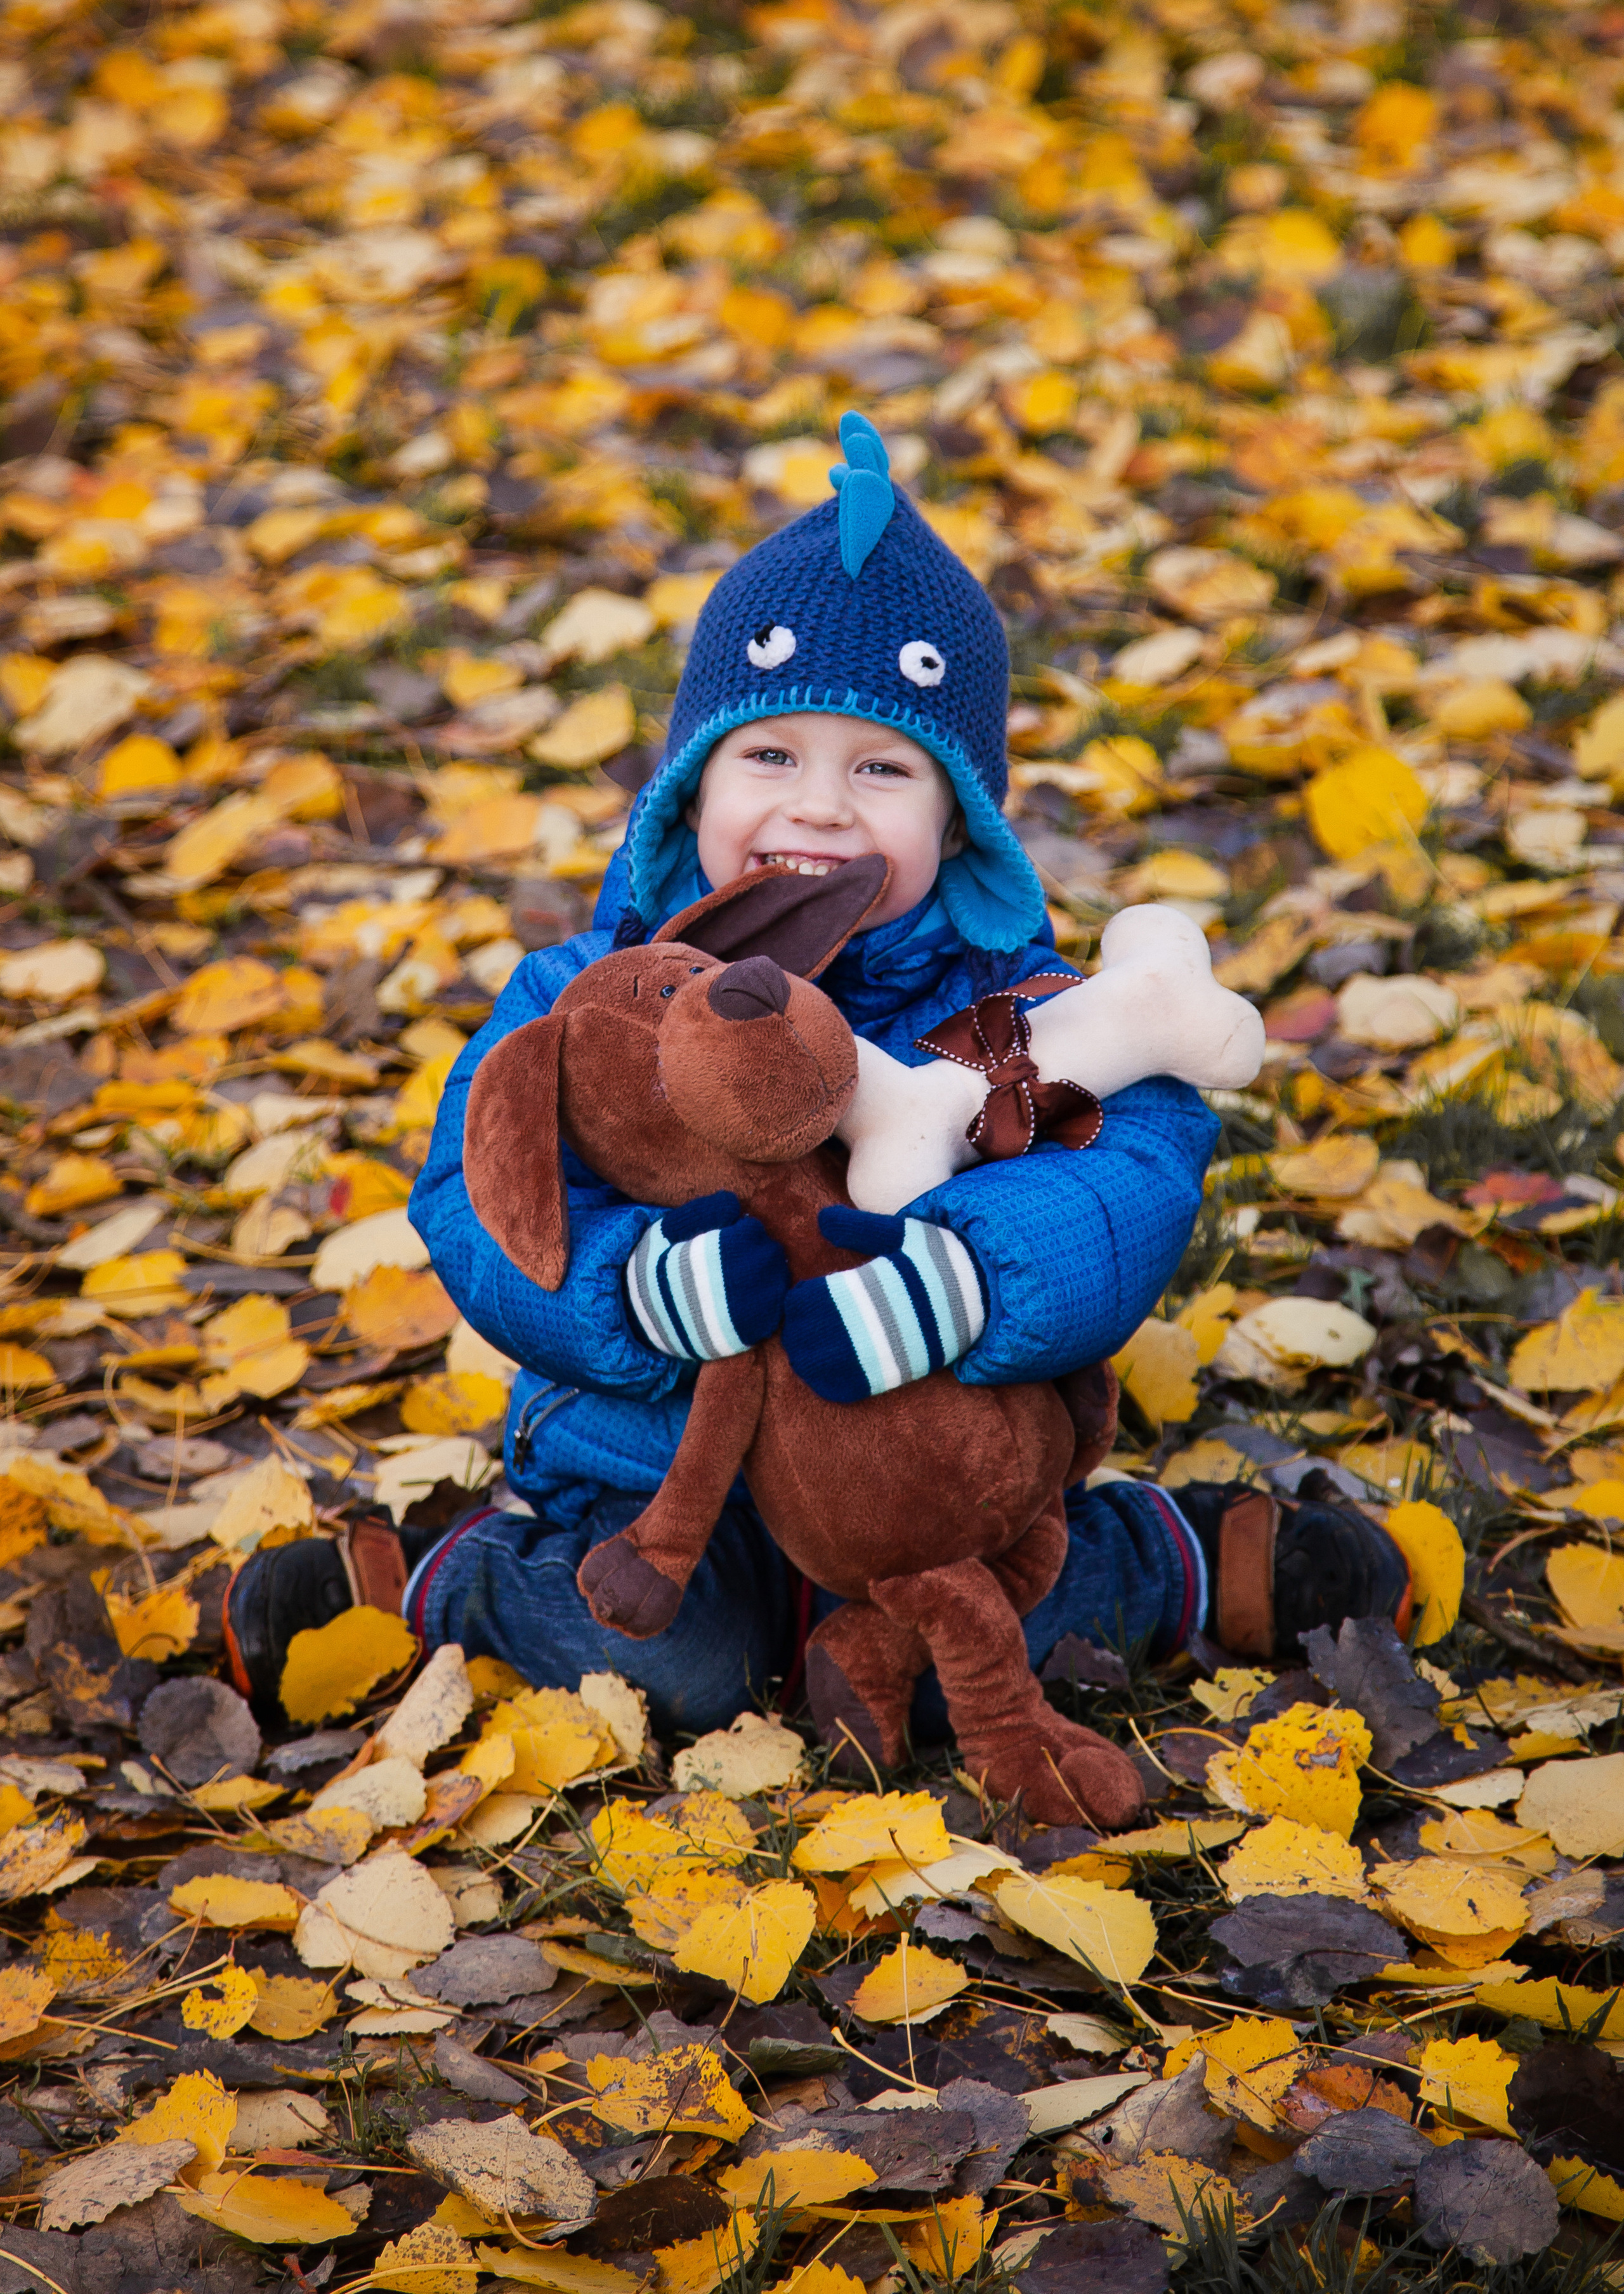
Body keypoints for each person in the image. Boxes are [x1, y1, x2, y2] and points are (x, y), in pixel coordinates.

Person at [224, 413, 1410, 1753]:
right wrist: (634, 1289)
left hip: (935, 1483)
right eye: (770, 756)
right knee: (674, 1671)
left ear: (957, 819)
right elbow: (472, 1200)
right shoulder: (592, 992)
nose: (822, 810)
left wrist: (969, 1283)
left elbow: (1133, 1173)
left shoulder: (1018, 1007)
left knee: (1020, 1638)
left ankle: (1161, 1555)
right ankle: (449, 1580)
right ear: (689, 788)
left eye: (883, 770)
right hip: (660, 1480)